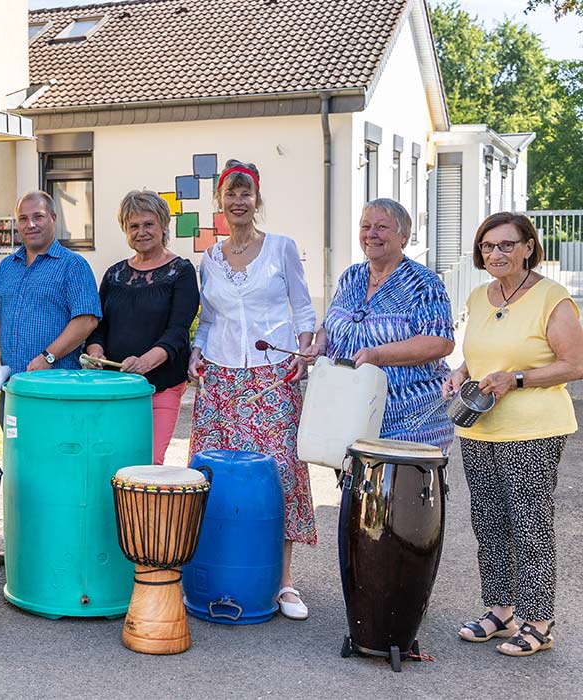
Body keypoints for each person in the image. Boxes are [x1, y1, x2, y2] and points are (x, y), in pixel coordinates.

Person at [442, 213, 583, 657]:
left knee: (529, 524)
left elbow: (575, 364)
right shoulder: (480, 296)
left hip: (534, 429)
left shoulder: (551, 297)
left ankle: (539, 622)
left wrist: (516, 379)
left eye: (506, 245)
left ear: (528, 247)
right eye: (488, 246)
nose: (496, 253)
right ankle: (501, 612)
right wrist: (462, 372)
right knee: (489, 523)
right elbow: (480, 353)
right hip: (481, 428)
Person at [185, 160, 317, 620]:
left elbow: (302, 308)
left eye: (246, 194)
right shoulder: (210, 257)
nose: (238, 202)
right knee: (215, 479)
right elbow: (210, 318)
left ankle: (281, 582)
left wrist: (303, 351)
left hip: (271, 374)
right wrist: (196, 351)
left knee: (277, 476)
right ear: (219, 202)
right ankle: (217, 569)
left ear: (256, 200)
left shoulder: (281, 248)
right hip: (220, 379)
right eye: (230, 194)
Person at [313, 198, 455, 449]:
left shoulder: (424, 283)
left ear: (404, 236)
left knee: (401, 489)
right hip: (348, 416)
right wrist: (320, 345)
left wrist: (377, 354)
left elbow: (439, 342)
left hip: (408, 422)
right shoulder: (351, 276)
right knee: (352, 489)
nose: (371, 234)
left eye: (381, 227)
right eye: (365, 226)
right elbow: (329, 324)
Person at [84, 190, 198, 464]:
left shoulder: (181, 271)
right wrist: (96, 350)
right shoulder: (114, 274)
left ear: (163, 225)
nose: (141, 232)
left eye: (148, 224)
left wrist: (145, 362)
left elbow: (178, 332)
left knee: (148, 461)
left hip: (162, 386)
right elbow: (99, 326)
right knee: (112, 460)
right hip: (116, 388)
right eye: (133, 226)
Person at [0, 191, 101, 418]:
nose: (30, 224)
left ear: (53, 218)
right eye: (23, 218)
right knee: (16, 452)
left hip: (57, 387)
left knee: (56, 451)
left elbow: (87, 320)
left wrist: (48, 357)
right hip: (13, 388)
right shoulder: (7, 267)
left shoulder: (73, 266)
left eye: (38, 216)